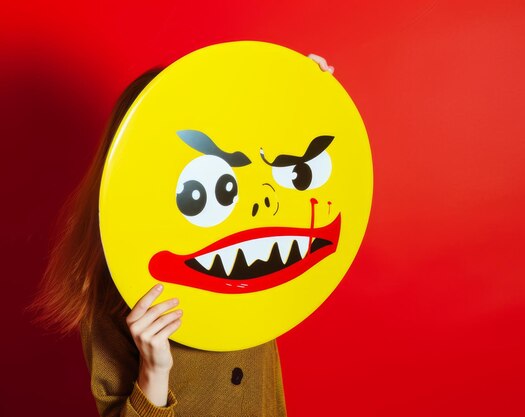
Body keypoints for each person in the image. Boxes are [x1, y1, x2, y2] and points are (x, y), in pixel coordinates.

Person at [32, 52, 334, 417]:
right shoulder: (110, 289)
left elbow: (276, 157)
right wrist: (153, 373)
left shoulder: (252, 247)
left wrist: (304, 93)